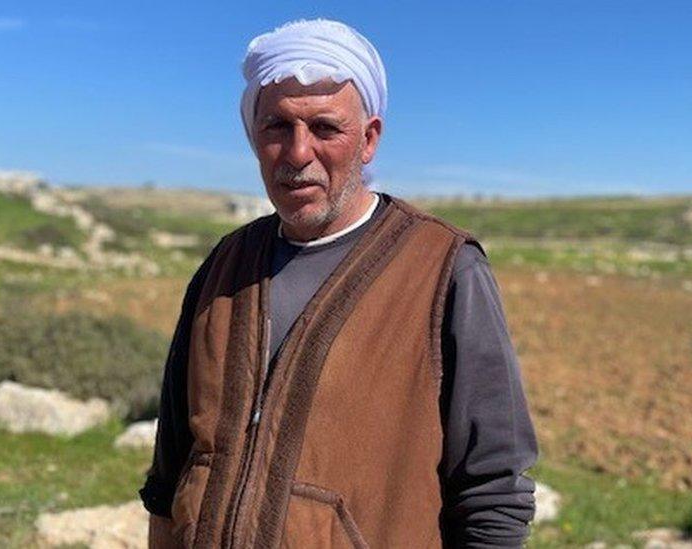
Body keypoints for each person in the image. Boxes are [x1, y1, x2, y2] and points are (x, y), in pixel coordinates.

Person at [140, 18, 538, 548]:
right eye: (277, 127)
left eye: (325, 128)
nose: (298, 152)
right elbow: (171, 469)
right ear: (253, 136)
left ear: (369, 139)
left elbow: (492, 492)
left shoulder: (444, 268)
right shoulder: (225, 264)